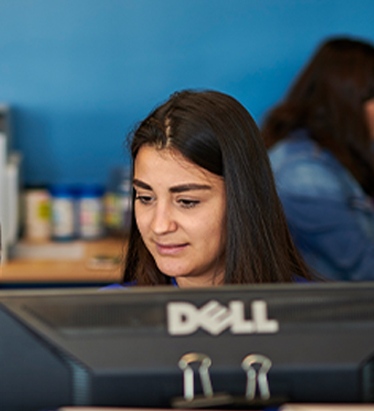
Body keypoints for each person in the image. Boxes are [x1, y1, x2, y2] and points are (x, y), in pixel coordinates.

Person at [114, 89, 314, 288]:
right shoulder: (110, 313)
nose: (159, 226)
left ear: (244, 200)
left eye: (186, 202)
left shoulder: (313, 314)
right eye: (146, 198)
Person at [262, 36, 374, 281]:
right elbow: (362, 266)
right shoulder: (303, 172)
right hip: (324, 315)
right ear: (350, 102)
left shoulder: (339, 158)